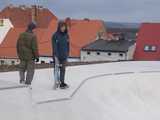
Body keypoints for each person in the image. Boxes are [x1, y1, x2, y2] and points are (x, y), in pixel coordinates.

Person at [16, 22, 39, 86]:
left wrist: (19, 54)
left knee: (21, 69)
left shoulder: (21, 34)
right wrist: (37, 57)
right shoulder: (33, 36)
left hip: (22, 56)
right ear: (33, 28)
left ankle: (22, 80)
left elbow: (17, 45)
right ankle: (28, 83)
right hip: (30, 57)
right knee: (30, 70)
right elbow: (34, 48)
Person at [52, 21, 70, 89]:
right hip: (57, 56)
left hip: (64, 56)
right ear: (59, 27)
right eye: (62, 27)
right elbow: (54, 46)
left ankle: (62, 83)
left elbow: (68, 45)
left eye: (64, 27)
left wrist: (67, 54)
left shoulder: (66, 35)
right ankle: (56, 82)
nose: (63, 28)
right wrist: (56, 56)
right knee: (56, 70)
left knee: (63, 69)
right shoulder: (55, 36)